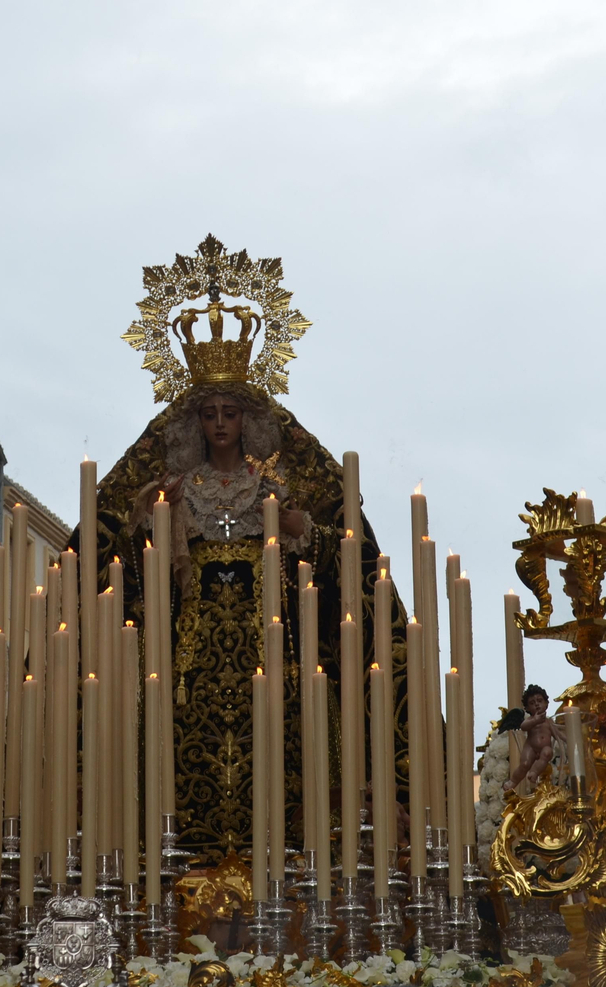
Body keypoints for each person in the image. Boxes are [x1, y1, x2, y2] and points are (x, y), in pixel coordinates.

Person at [81, 326, 395, 861]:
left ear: (248, 419)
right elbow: (129, 572)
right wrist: (154, 519)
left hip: (270, 663)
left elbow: (325, 570)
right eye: (210, 413)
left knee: (280, 758)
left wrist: (305, 530)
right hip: (188, 668)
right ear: (194, 422)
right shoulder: (177, 491)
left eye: (231, 412)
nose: (221, 423)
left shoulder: (271, 488)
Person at [505, 685, 560, 792]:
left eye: (539, 701)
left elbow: (557, 734)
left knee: (548, 752)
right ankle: (513, 782)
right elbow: (523, 727)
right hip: (531, 747)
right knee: (524, 764)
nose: (536, 704)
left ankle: (534, 772)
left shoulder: (549, 722)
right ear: (527, 708)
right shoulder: (530, 720)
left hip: (544, 747)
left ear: (546, 703)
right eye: (532, 703)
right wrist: (535, 720)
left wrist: (568, 740)